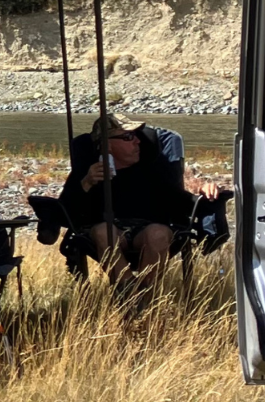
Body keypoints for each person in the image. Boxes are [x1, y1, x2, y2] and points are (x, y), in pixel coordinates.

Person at [60, 113, 220, 287]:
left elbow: (180, 202)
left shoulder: (154, 168)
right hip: (108, 234)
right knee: (104, 232)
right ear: (107, 145)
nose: (137, 141)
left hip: (147, 231)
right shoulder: (88, 172)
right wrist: (86, 183)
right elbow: (65, 212)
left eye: (136, 135)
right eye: (128, 137)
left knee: (157, 233)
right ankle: (127, 289)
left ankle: (141, 298)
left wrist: (204, 193)